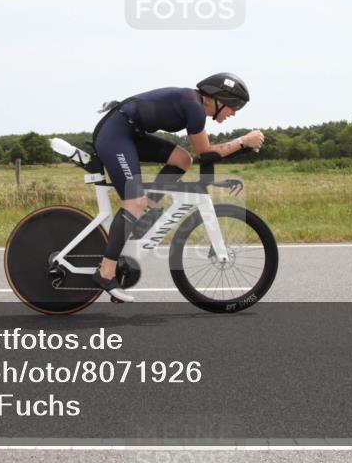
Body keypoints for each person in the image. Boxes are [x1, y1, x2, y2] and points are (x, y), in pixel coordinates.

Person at [90, 73, 265, 301]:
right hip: (115, 134)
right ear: (218, 98)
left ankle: (145, 212)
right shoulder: (194, 106)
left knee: (183, 160)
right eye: (234, 106)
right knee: (133, 203)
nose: (234, 113)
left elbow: (202, 158)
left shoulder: (194, 106)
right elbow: (207, 152)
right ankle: (106, 272)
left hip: (130, 133)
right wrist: (243, 141)